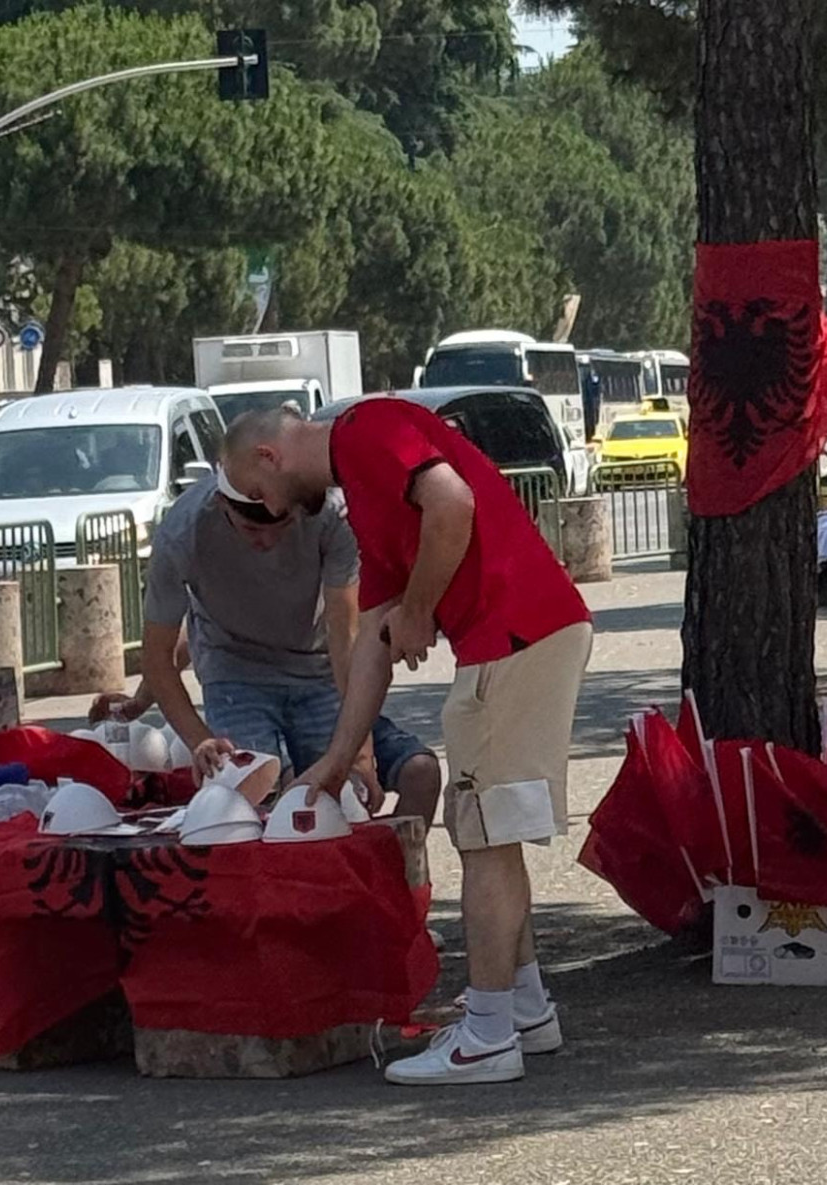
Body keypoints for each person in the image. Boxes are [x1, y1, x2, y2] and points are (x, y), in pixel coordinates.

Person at [222, 402, 593, 1087]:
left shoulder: (365, 432)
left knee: (483, 834)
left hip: (516, 634)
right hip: (520, 634)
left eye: (256, 491)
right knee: (481, 825)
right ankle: (525, 1006)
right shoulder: (362, 493)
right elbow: (375, 639)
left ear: (269, 456)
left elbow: (451, 502)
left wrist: (422, 607)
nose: (267, 508)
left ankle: (487, 1032)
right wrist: (337, 761)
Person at [91, 463, 442, 826]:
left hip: (320, 674)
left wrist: (360, 750)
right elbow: (161, 651)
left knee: (354, 791)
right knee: (255, 799)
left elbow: (345, 633)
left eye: (282, 526)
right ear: (221, 504)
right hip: (236, 678)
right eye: (251, 530)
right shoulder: (184, 531)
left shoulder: (328, 513)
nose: (267, 542)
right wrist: (195, 738)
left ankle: (386, 878)